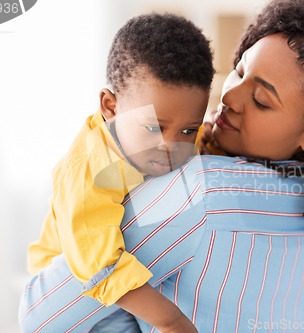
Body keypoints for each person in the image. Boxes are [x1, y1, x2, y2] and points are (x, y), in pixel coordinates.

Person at [19, 0, 304, 332]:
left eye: (261, 100)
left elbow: (40, 317)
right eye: (239, 70)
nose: (230, 97)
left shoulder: (201, 192)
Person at [21, 13, 215, 333]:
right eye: (154, 127)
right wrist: (172, 321)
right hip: (73, 283)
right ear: (111, 107)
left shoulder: (166, 140)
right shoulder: (90, 167)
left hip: (129, 274)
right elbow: (100, 264)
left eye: (188, 130)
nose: (172, 146)